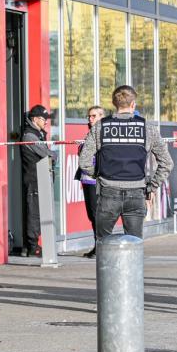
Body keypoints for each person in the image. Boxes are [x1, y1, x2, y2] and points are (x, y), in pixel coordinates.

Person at [78, 86, 172, 242]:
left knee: (103, 243)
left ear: (114, 104)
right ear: (133, 104)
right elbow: (167, 163)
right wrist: (152, 186)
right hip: (136, 192)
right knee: (134, 244)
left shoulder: (100, 127)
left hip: (108, 192)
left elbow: (84, 161)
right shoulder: (147, 128)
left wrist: (99, 174)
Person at [19, 105, 57, 257]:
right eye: (43, 119)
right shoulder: (30, 136)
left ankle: (33, 245)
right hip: (34, 179)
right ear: (34, 119)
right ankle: (32, 246)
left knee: (40, 212)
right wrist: (53, 155)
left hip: (41, 179)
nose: (46, 122)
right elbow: (47, 154)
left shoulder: (38, 134)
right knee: (34, 213)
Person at [77, 105, 106, 259]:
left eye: (94, 116)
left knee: (97, 214)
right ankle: (98, 245)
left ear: (102, 117)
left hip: (97, 180)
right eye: (89, 116)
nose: (90, 119)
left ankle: (101, 247)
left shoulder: (104, 133)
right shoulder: (90, 133)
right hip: (87, 179)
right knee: (92, 214)